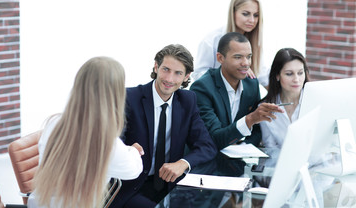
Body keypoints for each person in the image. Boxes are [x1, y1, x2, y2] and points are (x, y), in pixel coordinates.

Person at [28, 57, 143, 208]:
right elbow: (133, 171)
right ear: (116, 94)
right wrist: (133, 151)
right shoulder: (107, 144)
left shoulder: (54, 123)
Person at [111, 44, 217, 208]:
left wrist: (183, 163)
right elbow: (112, 145)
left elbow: (207, 146)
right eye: (165, 69)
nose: (169, 79)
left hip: (171, 186)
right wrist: (129, 150)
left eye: (178, 73)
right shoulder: (129, 98)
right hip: (132, 188)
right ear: (156, 66)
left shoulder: (187, 100)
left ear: (187, 76)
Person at [190, 32, 283, 153]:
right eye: (238, 57)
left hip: (238, 161)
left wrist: (244, 146)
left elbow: (257, 130)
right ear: (220, 58)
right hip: (207, 162)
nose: (246, 63)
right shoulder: (202, 88)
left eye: (248, 56)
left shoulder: (251, 84)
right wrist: (250, 119)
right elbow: (214, 138)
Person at [193, 0, 269, 88]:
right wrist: (233, 72)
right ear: (233, 13)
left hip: (243, 99)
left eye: (256, 15)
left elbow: (263, 76)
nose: (252, 20)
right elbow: (198, 74)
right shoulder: (211, 41)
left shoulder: (254, 42)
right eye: (246, 14)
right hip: (215, 97)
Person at [259, 48, 310, 148]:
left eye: (300, 73)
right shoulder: (266, 109)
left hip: (318, 163)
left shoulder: (316, 102)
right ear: (277, 76)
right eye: (289, 74)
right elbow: (270, 149)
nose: (296, 79)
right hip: (280, 162)